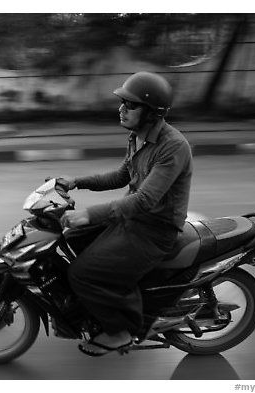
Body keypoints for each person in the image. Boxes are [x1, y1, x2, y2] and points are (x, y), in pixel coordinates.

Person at [58, 71, 193, 356]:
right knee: (71, 238)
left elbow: (144, 200)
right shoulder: (138, 136)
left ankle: (120, 331)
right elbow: (121, 177)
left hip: (154, 230)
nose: (121, 109)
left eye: (130, 105)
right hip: (132, 219)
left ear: (152, 113)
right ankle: (95, 310)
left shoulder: (173, 147)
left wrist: (90, 214)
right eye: (122, 103)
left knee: (83, 274)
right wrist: (77, 181)